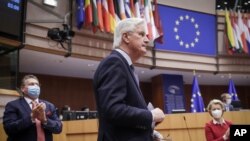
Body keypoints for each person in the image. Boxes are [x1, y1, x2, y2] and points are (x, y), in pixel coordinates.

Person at [93, 18, 165, 141]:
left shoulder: (124, 65)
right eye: (141, 34)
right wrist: (150, 115)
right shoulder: (114, 62)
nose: (147, 40)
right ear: (126, 37)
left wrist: (149, 133)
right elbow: (113, 110)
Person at [3, 74, 62, 141]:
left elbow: (58, 128)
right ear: (22, 89)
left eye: (37, 84)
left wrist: (45, 120)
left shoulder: (49, 106)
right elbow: (9, 129)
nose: (35, 86)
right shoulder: (13, 105)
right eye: (31, 84)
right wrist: (31, 118)